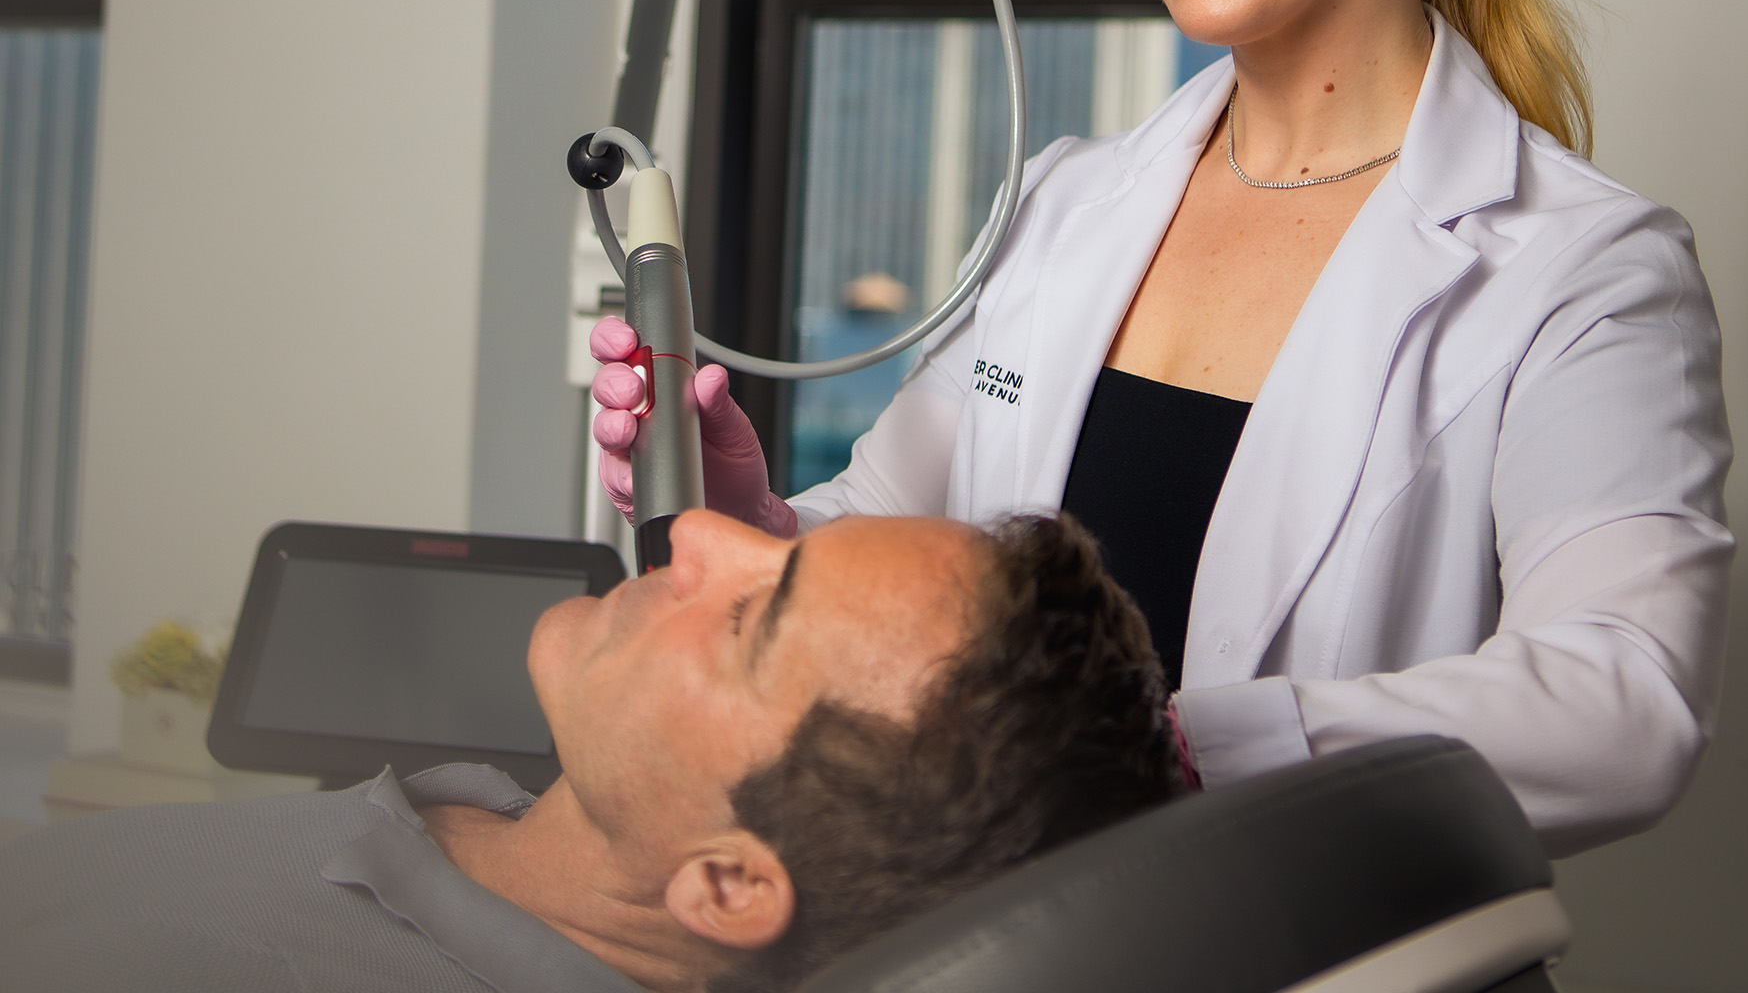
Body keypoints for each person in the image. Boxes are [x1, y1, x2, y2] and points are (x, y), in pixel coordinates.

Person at [593, 0, 1732, 859]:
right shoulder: (1068, 201)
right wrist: (760, 521)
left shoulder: (1579, 266)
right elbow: (904, 531)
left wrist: (1157, 749)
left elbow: (1621, 704)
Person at [0, 510, 1179, 993]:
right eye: (782, 545)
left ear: (725, 882)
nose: (704, 529)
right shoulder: (477, 809)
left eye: (745, 620)